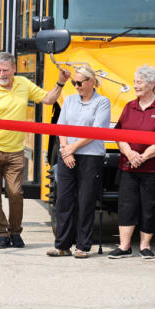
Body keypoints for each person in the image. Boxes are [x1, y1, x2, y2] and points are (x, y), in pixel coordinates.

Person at [0, 51, 70, 249]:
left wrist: (61, 83)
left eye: (5, 70)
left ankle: (15, 232)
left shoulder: (23, 84)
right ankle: (2, 234)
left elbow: (48, 99)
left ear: (14, 69)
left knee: (16, 193)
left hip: (15, 151)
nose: (1, 74)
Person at [105, 65, 155, 260]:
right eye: (135, 82)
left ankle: (145, 246)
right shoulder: (129, 106)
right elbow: (118, 134)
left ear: (152, 84)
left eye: (139, 82)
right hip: (129, 167)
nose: (135, 86)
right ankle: (124, 246)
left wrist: (142, 157)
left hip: (154, 168)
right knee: (127, 205)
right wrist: (129, 153)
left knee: (149, 206)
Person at [46, 65, 111, 259]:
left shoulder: (102, 102)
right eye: (74, 82)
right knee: (64, 199)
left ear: (91, 81)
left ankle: (83, 246)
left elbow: (97, 130)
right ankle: (62, 245)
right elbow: (61, 126)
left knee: (86, 200)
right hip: (68, 154)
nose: (76, 86)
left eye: (80, 82)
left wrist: (72, 148)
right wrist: (66, 150)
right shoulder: (70, 100)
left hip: (90, 156)